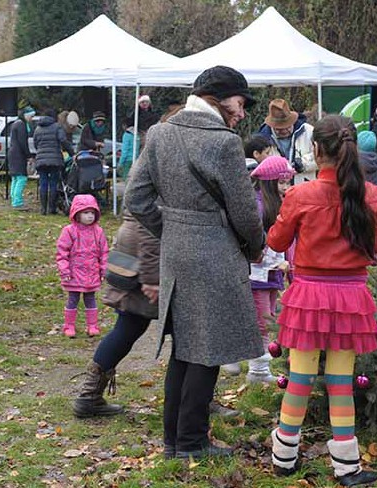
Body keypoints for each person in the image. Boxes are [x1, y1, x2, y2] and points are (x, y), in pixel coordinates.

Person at [125, 65, 264, 460]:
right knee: (207, 351)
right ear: (218, 98)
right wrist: (255, 245)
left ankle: (174, 441)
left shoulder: (160, 132)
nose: (241, 112)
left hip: (176, 253)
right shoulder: (224, 142)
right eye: (239, 102)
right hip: (214, 254)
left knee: (184, 349)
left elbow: (136, 199)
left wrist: (172, 229)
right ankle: (191, 443)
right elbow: (245, 213)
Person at [266, 115, 377, 484]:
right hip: (351, 296)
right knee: (340, 381)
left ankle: (284, 456)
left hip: (308, 295)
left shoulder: (299, 195)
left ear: (316, 149)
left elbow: (276, 242)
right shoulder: (375, 196)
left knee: (300, 378)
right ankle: (347, 465)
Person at [72, 205, 160, 417]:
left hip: (136, 240)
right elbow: (145, 205)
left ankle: (90, 395)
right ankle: (89, 396)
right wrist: (151, 275)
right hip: (147, 244)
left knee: (130, 325)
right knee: (131, 324)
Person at [245, 155, 294, 384]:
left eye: (288, 182)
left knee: (270, 316)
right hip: (257, 274)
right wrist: (275, 261)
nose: (286, 186)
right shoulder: (257, 206)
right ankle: (258, 371)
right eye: (282, 182)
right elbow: (257, 242)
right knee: (261, 320)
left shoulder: (280, 204)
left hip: (273, 272)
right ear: (268, 181)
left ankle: (260, 368)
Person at [55, 194, 109, 337]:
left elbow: (104, 252)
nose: (90, 216)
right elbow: (62, 252)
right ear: (77, 214)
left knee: (90, 298)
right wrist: (64, 270)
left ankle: (92, 325)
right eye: (86, 213)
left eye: (92, 213)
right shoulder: (69, 231)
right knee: (73, 298)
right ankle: (69, 326)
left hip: (92, 272)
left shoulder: (98, 232)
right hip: (74, 273)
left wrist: (104, 270)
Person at [257, 99, 316, 183]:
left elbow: (322, 156)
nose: (284, 131)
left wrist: (302, 164)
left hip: (305, 189)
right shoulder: (262, 139)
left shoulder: (308, 131)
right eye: (279, 129)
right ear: (271, 125)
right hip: (276, 191)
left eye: (287, 127)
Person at [34, 109, 75, 215]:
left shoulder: (38, 128)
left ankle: (43, 209)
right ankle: (51, 208)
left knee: (43, 183)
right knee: (53, 183)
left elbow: (35, 143)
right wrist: (72, 153)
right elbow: (63, 140)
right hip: (54, 160)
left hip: (41, 159)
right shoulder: (57, 127)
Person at [8, 106, 36, 210]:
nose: (32, 119)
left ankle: (14, 199)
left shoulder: (16, 123)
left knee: (15, 178)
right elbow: (23, 142)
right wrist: (28, 155)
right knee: (21, 178)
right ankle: (17, 202)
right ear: (26, 115)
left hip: (13, 153)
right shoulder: (21, 125)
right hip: (18, 155)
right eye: (31, 116)